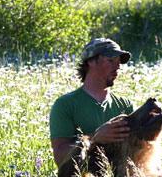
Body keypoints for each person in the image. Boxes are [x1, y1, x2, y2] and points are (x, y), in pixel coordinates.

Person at [49, 38, 134, 167]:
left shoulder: (124, 105)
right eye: (110, 60)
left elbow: (136, 152)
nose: (117, 67)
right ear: (91, 62)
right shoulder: (65, 105)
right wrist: (94, 138)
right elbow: (60, 157)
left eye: (119, 62)